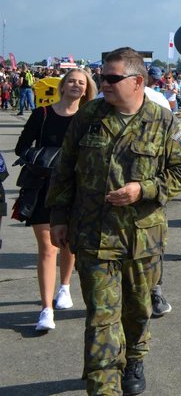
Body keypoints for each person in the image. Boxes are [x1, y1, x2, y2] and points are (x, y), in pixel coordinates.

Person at [48, 47, 181, 395]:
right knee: (101, 318)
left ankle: (135, 357)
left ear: (137, 81)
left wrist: (142, 190)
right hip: (94, 236)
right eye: (102, 77)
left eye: (112, 78)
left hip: (143, 240)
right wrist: (58, 216)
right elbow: (64, 169)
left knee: (137, 311)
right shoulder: (89, 117)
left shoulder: (163, 121)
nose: (103, 83)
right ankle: (103, 385)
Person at [15, 68, 95, 331]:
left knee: (68, 243)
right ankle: (46, 309)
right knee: (48, 247)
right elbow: (22, 147)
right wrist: (45, 156)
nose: (75, 85)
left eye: (81, 82)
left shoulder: (88, 117)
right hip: (43, 186)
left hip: (75, 187)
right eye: (71, 80)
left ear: (86, 89)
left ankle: (65, 286)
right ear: (62, 86)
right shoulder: (43, 113)